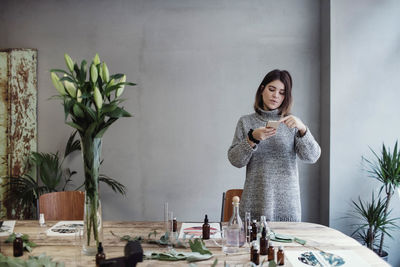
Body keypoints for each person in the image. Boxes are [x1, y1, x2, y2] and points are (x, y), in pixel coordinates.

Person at [227, 69, 321, 222]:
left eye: (282, 92)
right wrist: (252, 138)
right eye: (271, 89)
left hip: (287, 207)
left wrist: (303, 129)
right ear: (262, 89)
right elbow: (235, 160)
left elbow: (312, 157)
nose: (276, 95)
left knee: (287, 246)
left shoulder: (292, 123)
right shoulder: (246, 122)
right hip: (254, 205)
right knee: (251, 246)